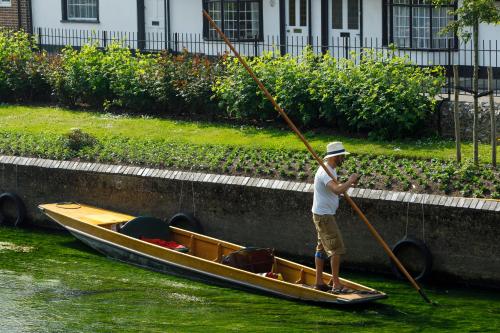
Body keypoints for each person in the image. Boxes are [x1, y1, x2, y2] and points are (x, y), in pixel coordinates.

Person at [312, 141, 359, 293]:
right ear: (335, 156)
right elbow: (337, 189)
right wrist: (350, 180)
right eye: (341, 157)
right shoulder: (325, 172)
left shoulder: (330, 169)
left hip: (323, 214)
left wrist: (348, 185)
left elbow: (335, 191)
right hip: (324, 217)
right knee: (336, 249)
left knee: (321, 247)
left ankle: (319, 282)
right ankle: (336, 285)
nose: (343, 159)